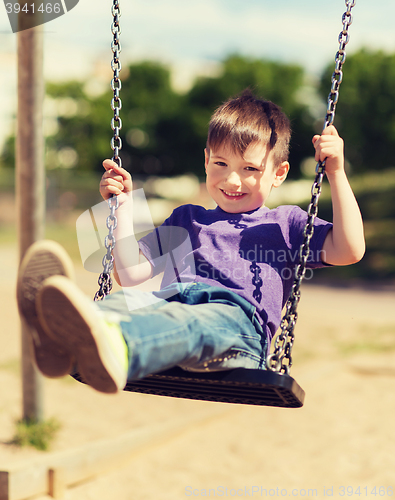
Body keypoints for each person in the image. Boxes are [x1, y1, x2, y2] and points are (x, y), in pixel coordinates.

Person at [17, 90, 365, 394]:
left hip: (236, 330)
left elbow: (349, 250)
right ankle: (61, 336)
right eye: (221, 163)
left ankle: (115, 348)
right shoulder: (187, 219)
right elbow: (131, 273)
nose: (232, 179)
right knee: (128, 301)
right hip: (173, 309)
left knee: (191, 322)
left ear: (279, 173)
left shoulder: (285, 224)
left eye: (250, 169)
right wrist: (122, 207)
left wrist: (335, 173)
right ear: (205, 161)